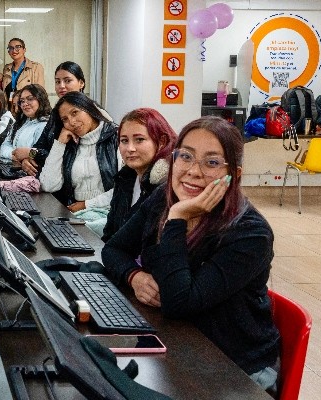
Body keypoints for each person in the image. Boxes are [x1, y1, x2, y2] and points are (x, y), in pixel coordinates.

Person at [102, 116, 280, 395]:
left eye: (211, 162)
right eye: (185, 156)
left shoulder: (250, 234)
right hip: (176, 339)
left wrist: (178, 218)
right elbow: (113, 249)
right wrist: (133, 276)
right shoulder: (164, 196)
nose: (193, 171)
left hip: (236, 367)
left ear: (235, 174)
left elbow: (179, 303)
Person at [101, 108, 176, 241]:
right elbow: (110, 233)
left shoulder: (166, 186)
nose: (130, 148)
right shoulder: (124, 178)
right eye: (124, 141)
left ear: (162, 141)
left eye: (139, 140)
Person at [38, 91, 120, 212]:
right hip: (77, 214)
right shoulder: (70, 143)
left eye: (75, 113)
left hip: (109, 214)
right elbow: (48, 185)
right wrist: (59, 144)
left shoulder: (117, 137)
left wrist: (87, 204)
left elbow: (125, 189)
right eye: (65, 119)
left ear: (88, 109)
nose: (71, 122)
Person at [19, 62, 103, 177]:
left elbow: (65, 157)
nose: (61, 86)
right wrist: (27, 160)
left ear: (81, 83)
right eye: (58, 82)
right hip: (51, 182)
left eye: (67, 81)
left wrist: (30, 153)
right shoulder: (55, 114)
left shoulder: (90, 114)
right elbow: (41, 148)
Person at [0, 84, 50, 162]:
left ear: (41, 100)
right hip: (16, 165)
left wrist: (27, 155)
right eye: (22, 101)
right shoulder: (21, 122)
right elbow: (5, 145)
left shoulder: (46, 125)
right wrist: (13, 155)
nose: (25, 104)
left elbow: (46, 154)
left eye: (30, 99)